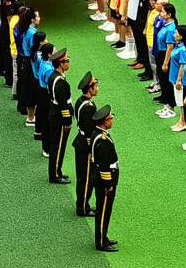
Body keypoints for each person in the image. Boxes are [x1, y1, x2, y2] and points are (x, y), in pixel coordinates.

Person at [91, 105, 118, 252]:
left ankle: (104, 236)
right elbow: (104, 166)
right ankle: (101, 241)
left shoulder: (99, 134)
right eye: (109, 119)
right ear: (104, 122)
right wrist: (108, 184)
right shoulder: (102, 140)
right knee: (103, 211)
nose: (111, 121)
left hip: (101, 178)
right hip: (104, 180)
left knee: (105, 210)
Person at [73, 72, 97, 217]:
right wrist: (92, 150)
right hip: (85, 146)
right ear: (90, 88)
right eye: (95, 85)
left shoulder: (81, 101)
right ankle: (82, 208)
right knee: (86, 178)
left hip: (80, 142)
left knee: (83, 177)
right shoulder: (88, 107)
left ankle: (83, 205)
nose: (97, 88)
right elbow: (89, 131)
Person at [47, 47, 73, 184]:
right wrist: (67, 121)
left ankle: (57, 170)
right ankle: (55, 175)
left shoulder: (53, 77)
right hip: (59, 118)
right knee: (58, 146)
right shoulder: (60, 83)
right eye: (66, 61)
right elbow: (63, 104)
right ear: (61, 64)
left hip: (54, 113)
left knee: (57, 145)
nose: (68, 63)